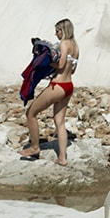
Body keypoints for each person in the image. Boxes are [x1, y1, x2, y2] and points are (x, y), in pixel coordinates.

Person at [19, 18, 79, 166]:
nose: (56, 33)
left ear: (64, 30)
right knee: (60, 122)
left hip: (57, 85)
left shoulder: (64, 43)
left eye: (58, 31)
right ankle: (62, 158)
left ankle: (34, 147)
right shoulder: (76, 46)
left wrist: (44, 60)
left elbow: (61, 65)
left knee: (31, 113)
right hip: (69, 86)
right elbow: (73, 69)